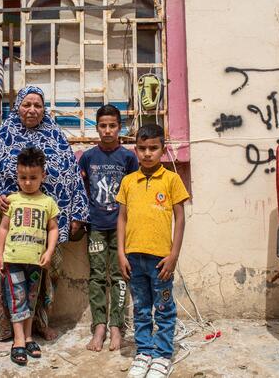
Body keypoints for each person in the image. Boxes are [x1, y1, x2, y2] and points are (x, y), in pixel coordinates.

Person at [0, 85, 89, 342]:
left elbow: (72, 176)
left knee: (44, 272)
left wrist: (77, 214)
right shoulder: (0, 136)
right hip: (9, 220)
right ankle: (3, 325)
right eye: (27, 104)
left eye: (38, 105)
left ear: (44, 109)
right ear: (17, 107)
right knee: (5, 272)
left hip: (46, 219)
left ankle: (39, 323)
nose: (32, 110)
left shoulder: (56, 137)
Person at [117, 124, 190, 378]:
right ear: (135, 149)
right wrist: (121, 253)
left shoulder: (171, 180)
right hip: (133, 258)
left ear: (163, 149)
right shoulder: (128, 182)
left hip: (161, 260)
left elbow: (180, 219)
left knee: (164, 309)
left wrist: (174, 255)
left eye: (153, 148)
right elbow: (122, 219)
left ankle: (162, 356)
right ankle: (144, 352)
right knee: (140, 308)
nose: (147, 153)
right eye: (142, 148)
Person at [79, 104, 138, 352]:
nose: (107, 130)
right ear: (96, 128)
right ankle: (99, 326)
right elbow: (83, 191)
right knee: (96, 276)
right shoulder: (88, 157)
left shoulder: (128, 158)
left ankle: (116, 327)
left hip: (121, 228)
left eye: (112, 125)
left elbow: (134, 194)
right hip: (96, 226)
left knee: (119, 276)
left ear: (120, 128)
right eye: (102, 125)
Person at [0, 147, 60, 366]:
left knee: (31, 299)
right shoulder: (12, 200)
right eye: (23, 177)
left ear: (43, 176)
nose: (27, 182)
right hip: (13, 260)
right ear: (17, 175)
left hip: (35, 261)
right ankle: (18, 341)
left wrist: (49, 252)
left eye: (33, 177)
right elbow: (3, 229)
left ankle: (29, 336)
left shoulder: (48, 202)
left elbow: (53, 229)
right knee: (17, 299)